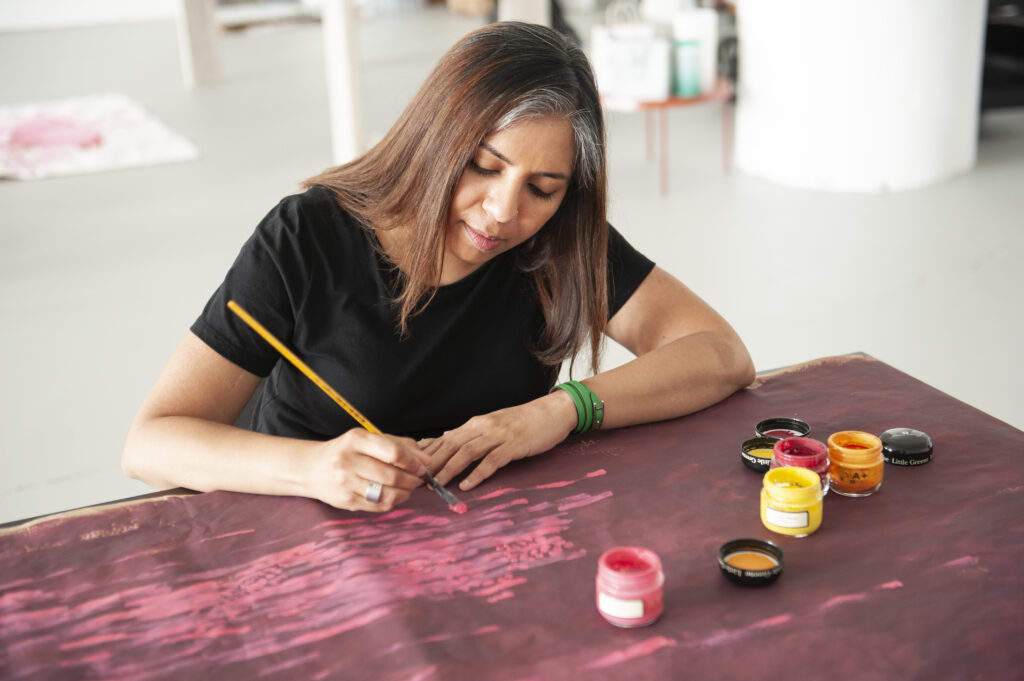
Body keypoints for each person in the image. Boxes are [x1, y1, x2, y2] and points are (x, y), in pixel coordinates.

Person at [122, 22, 754, 514]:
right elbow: (150, 444)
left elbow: (720, 354)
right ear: (437, 137)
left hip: (484, 534)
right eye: (484, 165)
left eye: (544, 186)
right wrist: (313, 468)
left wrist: (561, 410)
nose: (504, 212)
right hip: (309, 532)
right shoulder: (307, 236)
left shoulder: (557, 242)